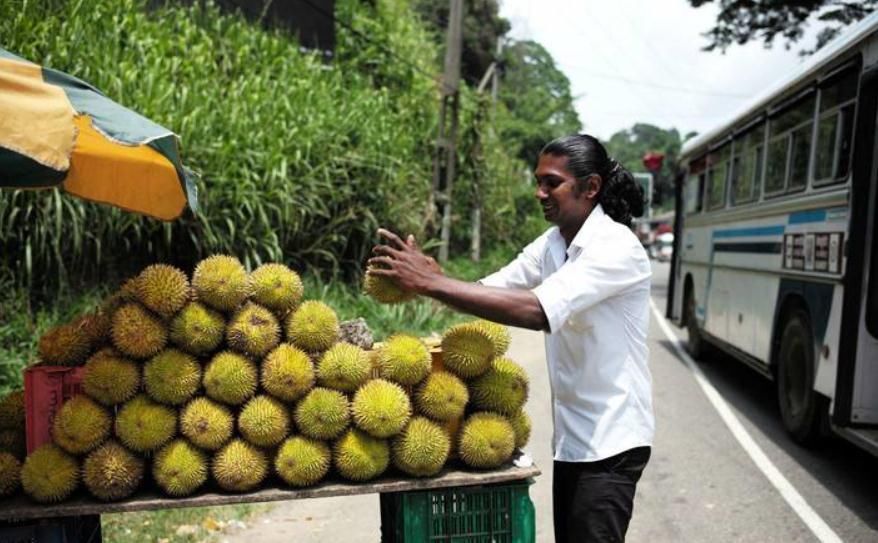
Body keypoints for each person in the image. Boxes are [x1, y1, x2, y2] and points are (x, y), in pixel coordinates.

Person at [369, 133, 654, 543]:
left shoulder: (616, 248)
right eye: (538, 181)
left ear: (590, 187)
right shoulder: (554, 242)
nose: (539, 192)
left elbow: (535, 309)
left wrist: (434, 284)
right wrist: (438, 279)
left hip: (613, 441)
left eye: (551, 183)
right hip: (574, 439)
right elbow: (496, 289)